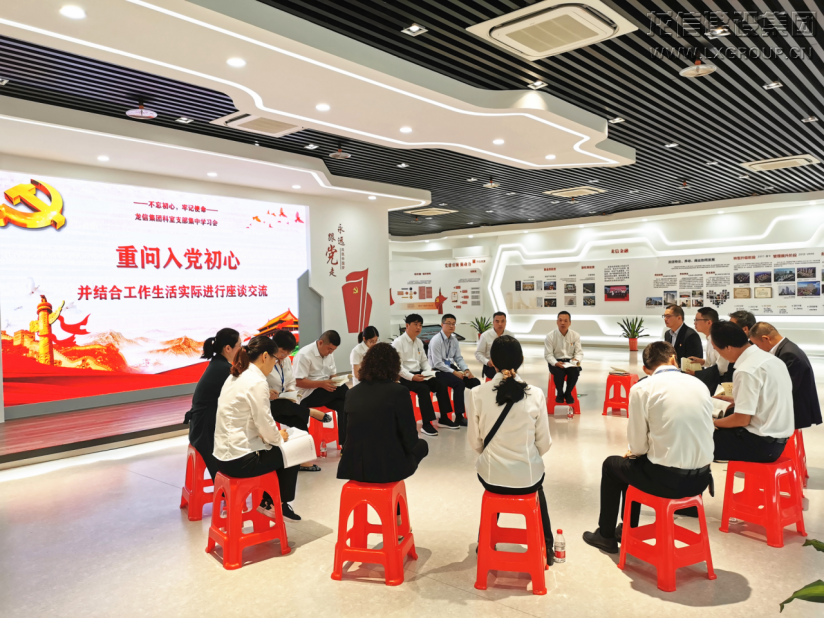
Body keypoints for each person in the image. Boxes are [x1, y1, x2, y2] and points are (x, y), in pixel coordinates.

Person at [582, 341, 714, 553]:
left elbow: (637, 446)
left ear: (645, 369)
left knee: (614, 465)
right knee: (634, 464)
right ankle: (628, 528)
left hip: (667, 481)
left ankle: (606, 535)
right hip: (701, 480)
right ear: (674, 359)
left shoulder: (642, 388)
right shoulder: (699, 385)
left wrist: (635, 452)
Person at [467, 335, 554, 564]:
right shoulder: (535, 394)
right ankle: (547, 545)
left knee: (496, 485)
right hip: (528, 477)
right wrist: (525, 458)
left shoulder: (477, 393)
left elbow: (475, 442)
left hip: (491, 477)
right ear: (521, 360)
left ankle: (485, 541)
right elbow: (544, 443)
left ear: (492, 362)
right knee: (537, 486)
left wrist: (496, 456)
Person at [213, 336, 301, 521]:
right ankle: (275, 504)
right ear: (265, 356)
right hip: (240, 460)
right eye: (275, 359)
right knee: (294, 450)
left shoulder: (236, 375)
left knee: (278, 448)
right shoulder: (257, 382)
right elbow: (265, 423)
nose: (275, 364)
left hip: (221, 457)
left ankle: (269, 502)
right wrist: (279, 437)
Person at [337, 343, 429, 484]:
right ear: (394, 366)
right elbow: (409, 437)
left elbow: (346, 433)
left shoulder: (351, 393)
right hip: (387, 469)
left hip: (352, 467)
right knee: (422, 445)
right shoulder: (399, 392)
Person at [710, 321, 794, 462]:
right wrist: (737, 400)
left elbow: (742, 420)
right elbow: (768, 398)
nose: (720, 355)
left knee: (696, 439)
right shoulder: (770, 359)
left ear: (728, 348)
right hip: (777, 440)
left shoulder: (746, 370)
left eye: (717, 350)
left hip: (759, 444)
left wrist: (713, 422)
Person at [267, 329, 332, 472]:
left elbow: (291, 381)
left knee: (299, 418)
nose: (285, 355)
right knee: (289, 407)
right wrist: (267, 392)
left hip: (284, 401)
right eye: (282, 351)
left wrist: (291, 392)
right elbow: (255, 385)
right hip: (267, 404)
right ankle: (310, 412)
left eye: (288, 352)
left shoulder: (285, 361)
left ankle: (302, 459)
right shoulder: (265, 361)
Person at [184, 328, 241, 480]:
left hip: (202, 426)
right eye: (239, 346)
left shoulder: (218, 364)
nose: (241, 350)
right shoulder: (224, 369)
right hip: (206, 432)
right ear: (228, 348)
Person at [749, 322, 822, 430]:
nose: (758, 349)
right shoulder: (786, 348)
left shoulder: (789, 354)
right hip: (791, 406)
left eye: (758, 345)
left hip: (795, 410)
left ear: (766, 338)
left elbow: (786, 389)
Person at [393, 314, 455, 436]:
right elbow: (398, 367)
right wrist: (412, 377)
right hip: (405, 377)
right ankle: (426, 424)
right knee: (423, 389)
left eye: (420, 325)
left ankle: (444, 418)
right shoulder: (398, 343)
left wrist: (429, 372)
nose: (418, 328)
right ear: (407, 325)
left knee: (441, 384)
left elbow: (424, 362)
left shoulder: (419, 342)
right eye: (415, 324)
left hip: (420, 374)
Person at [293, 330, 349, 448]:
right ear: (320, 343)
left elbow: (332, 374)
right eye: (329, 349)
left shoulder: (329, 353)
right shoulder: (304, 355)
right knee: (345, 392)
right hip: (307, 395)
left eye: (333, 350)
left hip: (325, 392)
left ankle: (345, 444)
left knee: (343, 404)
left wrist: (336, 380)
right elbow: (298, 382)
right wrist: (321, 384)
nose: (331, 352)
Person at [427, 313, 481, 427]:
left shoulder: (454, 340)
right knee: (459, 383)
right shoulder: (436, 340)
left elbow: (458, 358)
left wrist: (466, 369)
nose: (451, 326)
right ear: (442, 324)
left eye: (453, 324)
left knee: (475, 382)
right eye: (448, 323)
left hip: (450, 368)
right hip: (438, 370)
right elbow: (437, 363)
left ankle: (476, 412)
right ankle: (459, 416)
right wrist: (454, 372)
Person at [686, 307, 732, 394]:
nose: (694, 323)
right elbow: (712, 362)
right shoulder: (709, 338)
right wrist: (703, 362)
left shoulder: (718, 339)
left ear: (709, 322)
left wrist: (697, 374)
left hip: (723, 382)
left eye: (697, 320)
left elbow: (722, 367)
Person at [543, 311, 583, 404]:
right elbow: (548, 354)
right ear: (557, 322)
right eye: (560, 320)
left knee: (575, 371)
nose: (562, 323)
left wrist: (576, 360)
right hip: (556, 360)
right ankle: (560, 394)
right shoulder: (550, 336)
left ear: (570, 323)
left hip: (570, 361)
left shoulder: (575, 335)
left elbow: (579, 352)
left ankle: (568, 393)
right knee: (558, 373)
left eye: (565, 321)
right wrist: (555, 363)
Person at [475, 312, 514, 381]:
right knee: (498, 376)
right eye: (497, 321)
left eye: (502, 321)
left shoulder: (510, 335)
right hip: (491, 366)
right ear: (493, 322)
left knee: (513, 376)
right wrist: (487, 362)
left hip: (507, 365)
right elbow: (478, 353)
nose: (500, 324)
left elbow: (514, 351)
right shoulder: (485, 335)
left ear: (506, 322)